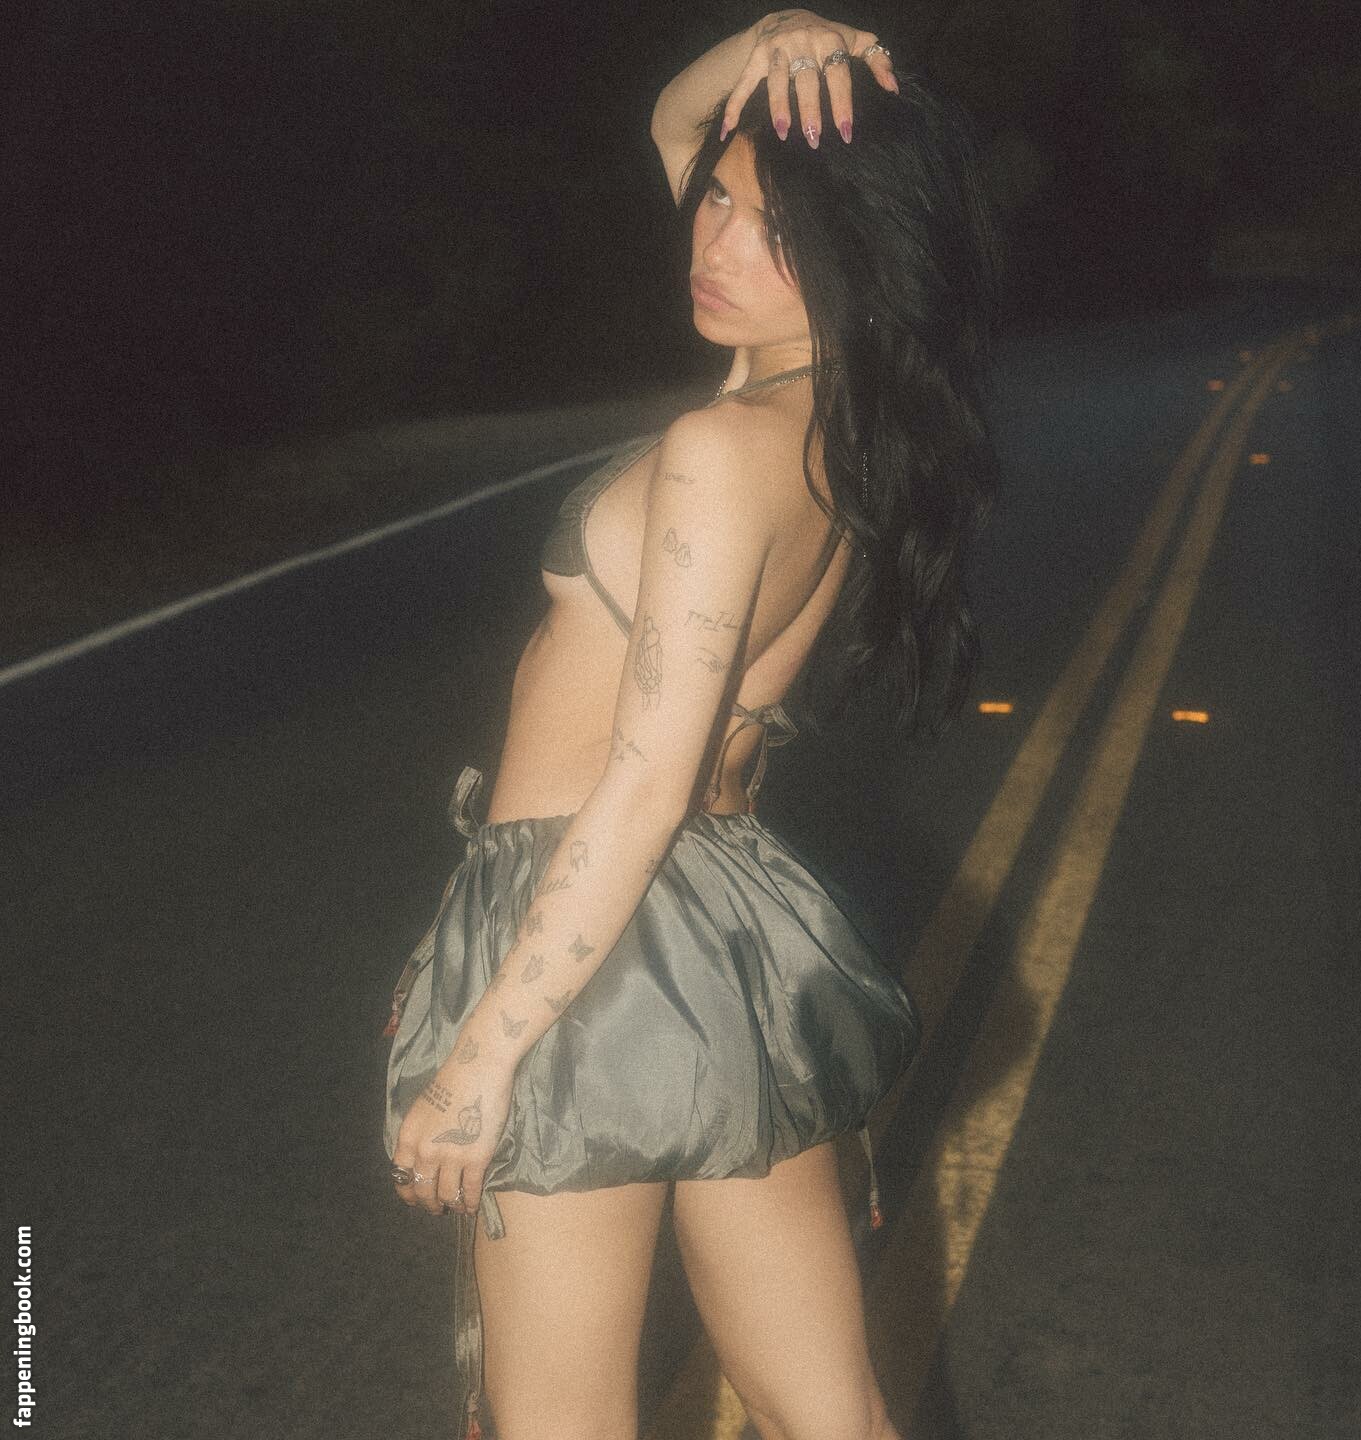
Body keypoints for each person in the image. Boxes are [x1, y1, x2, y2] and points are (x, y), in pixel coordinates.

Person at [383, 10, 1001, 1439]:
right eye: (717, 205)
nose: (714, 245)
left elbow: (642, 782)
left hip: (590, 927)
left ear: (856, 258)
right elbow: (676, 121)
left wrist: (483, 1056)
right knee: (827, 1411)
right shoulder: (828, 417)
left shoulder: (722, 451)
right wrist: (772, 41)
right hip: (723, 934)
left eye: (771, 230)